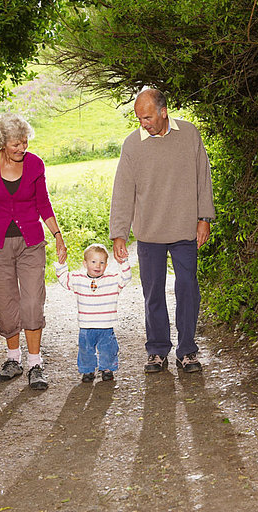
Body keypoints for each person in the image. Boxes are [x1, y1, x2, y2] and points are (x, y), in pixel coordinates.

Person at [110, 88, 215, 374]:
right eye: (139, 118)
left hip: (184, 228)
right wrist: (119, 233)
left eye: (147, 117)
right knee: (153, 292)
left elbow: (202, 177)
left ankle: (188, 350)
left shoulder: (189, 134)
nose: (143, 123)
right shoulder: (132, 145)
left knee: (187, 288)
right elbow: (122, 191)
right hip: (149, 233)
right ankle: (157, 350)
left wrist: (204, 217)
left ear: (163, 111)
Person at [0, 112, 67, 390]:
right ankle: (12, 360)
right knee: (4, 303)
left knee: (32, 302)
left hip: (31, 243)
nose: (21, 148)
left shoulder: (36, 164)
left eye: (24, 142)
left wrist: (58, 236)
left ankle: (35, 364)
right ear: (2, 142)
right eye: (16, 144)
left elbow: (43, 203)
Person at [54, 243, 131, 383]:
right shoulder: (78, 278)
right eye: (93, 262)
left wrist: (123, 262)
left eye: (102, 262)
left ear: (106, 265)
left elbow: (126, 278)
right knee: (86, 350)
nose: (98, 266)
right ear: (85, 263)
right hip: (86, 325)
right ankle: (87, 371)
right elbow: (64, 279)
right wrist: (61, 264)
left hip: (106, 325)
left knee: (108, 349)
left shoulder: (112, 279)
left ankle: (107, 369)